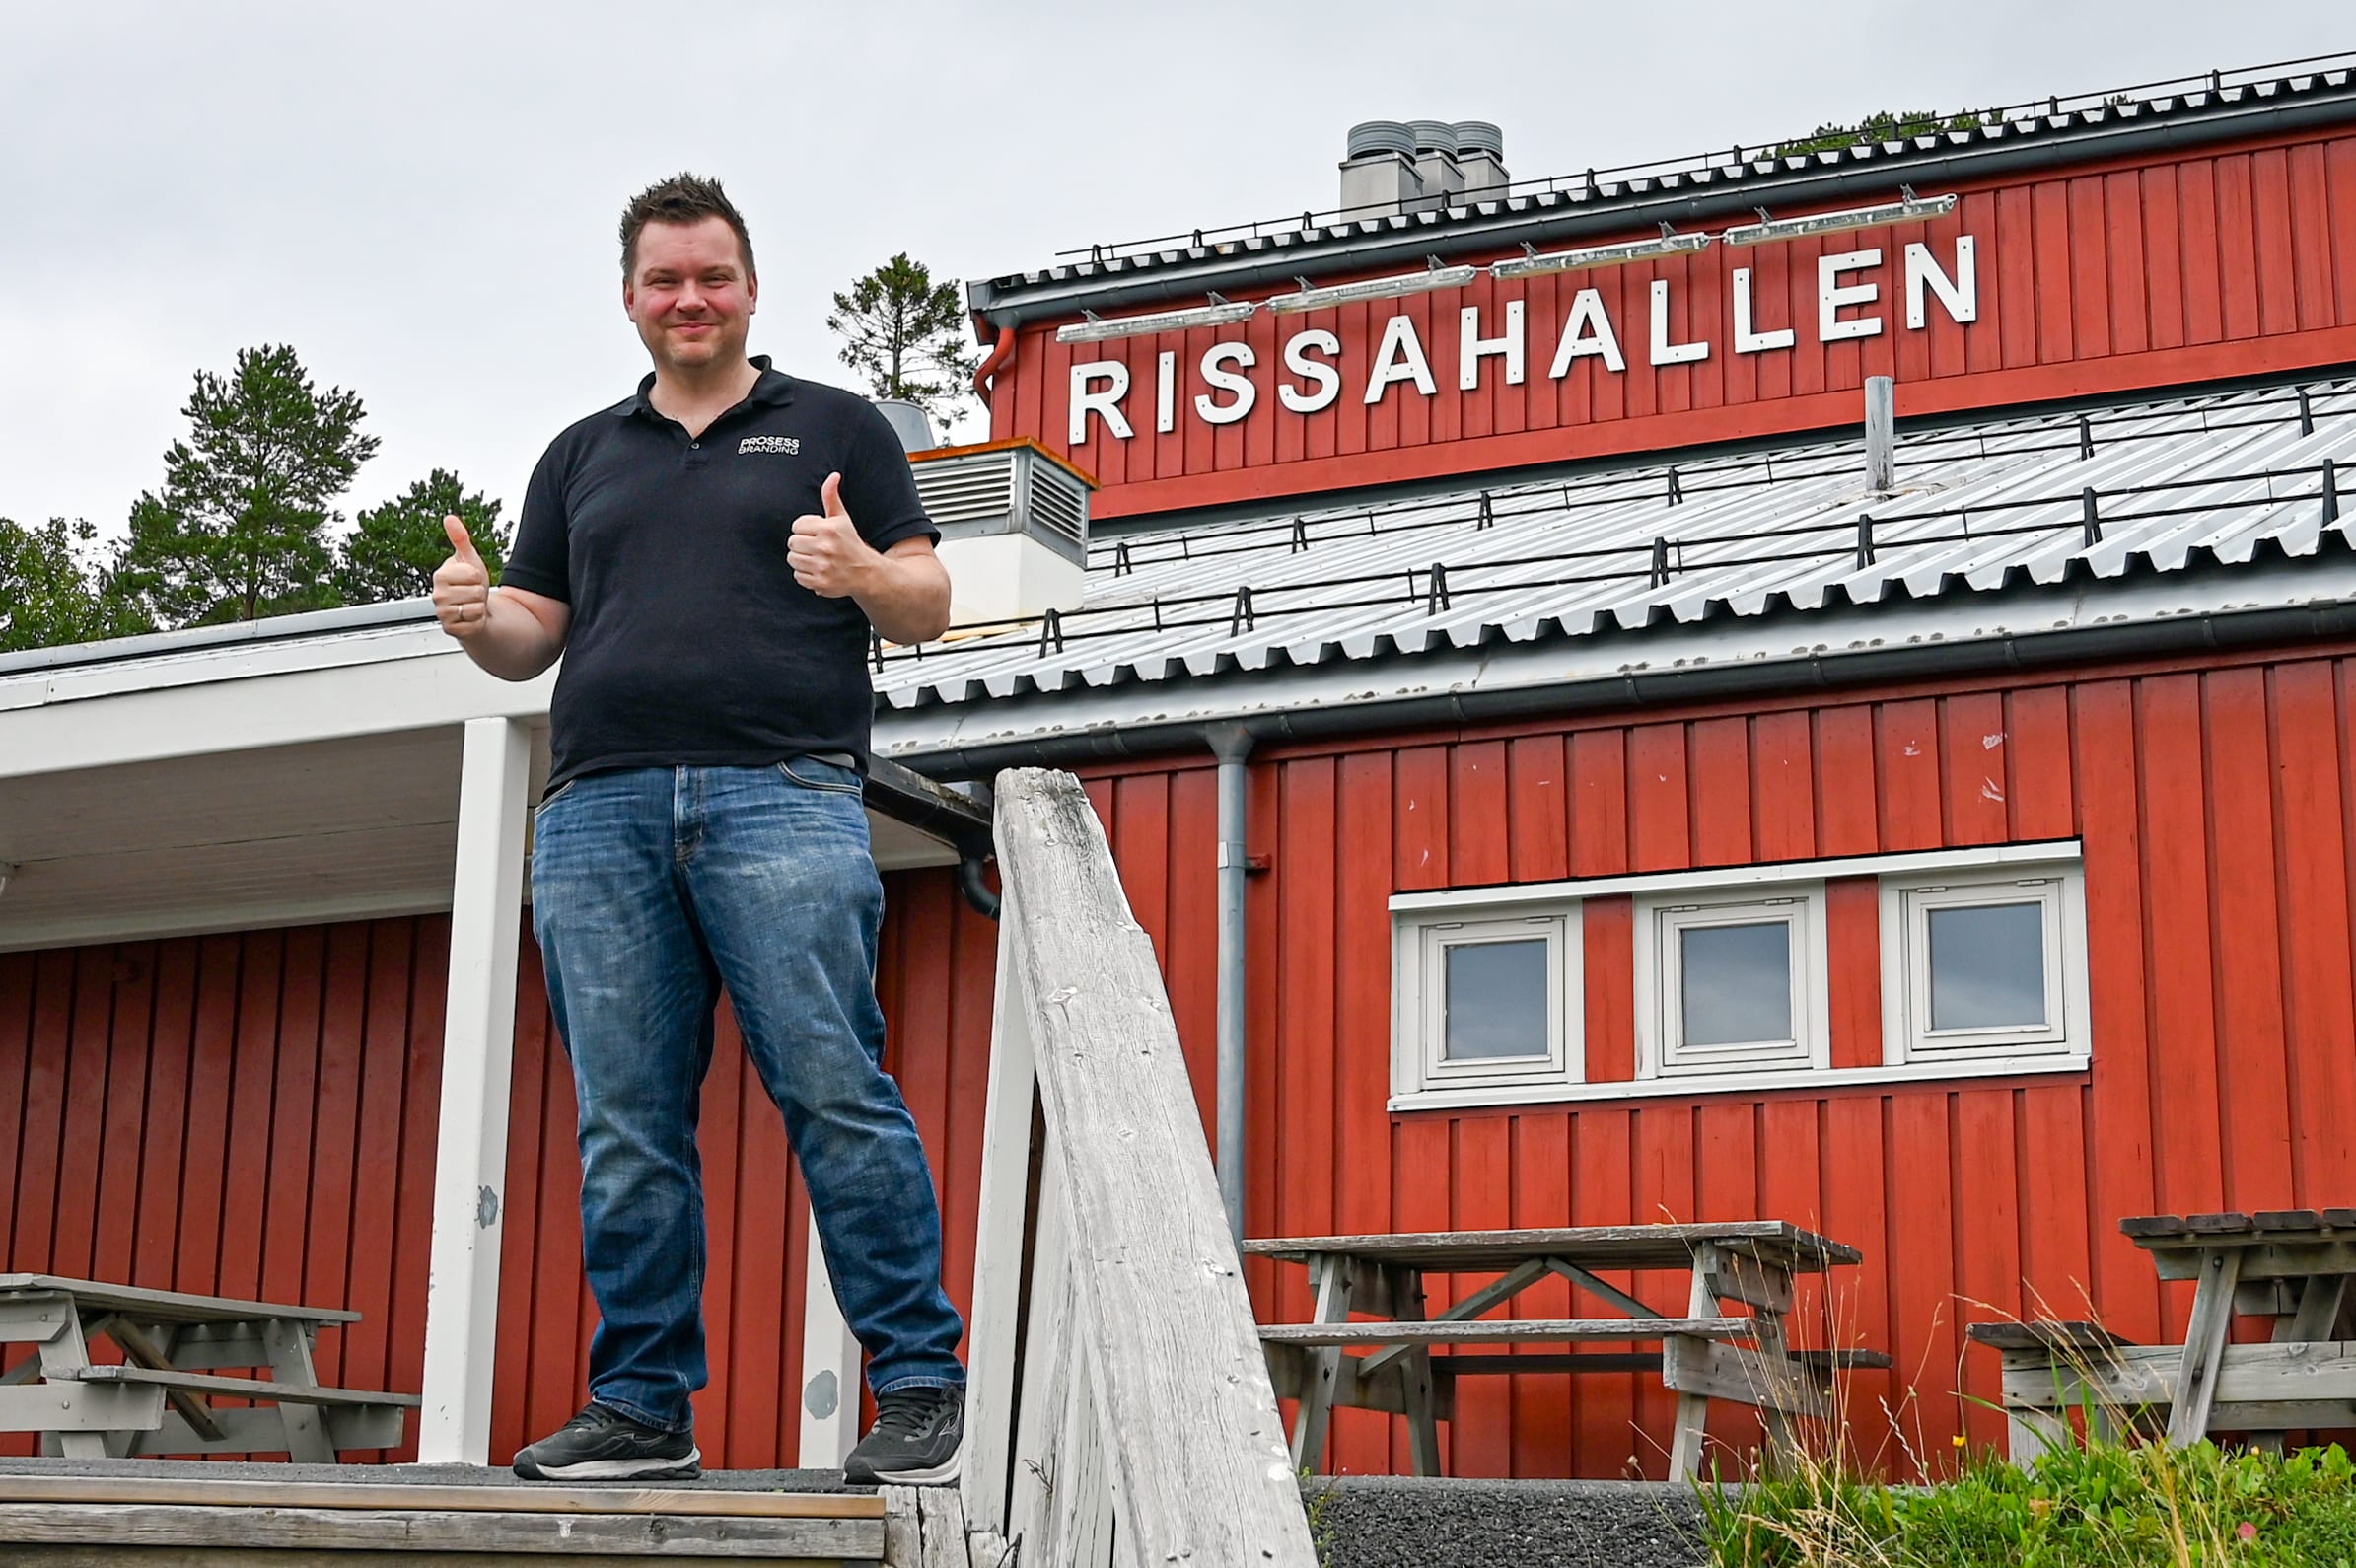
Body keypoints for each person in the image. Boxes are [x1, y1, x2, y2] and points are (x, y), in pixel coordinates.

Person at [432, 173, 965, 1487]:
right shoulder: (582, 454)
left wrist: (863, 571)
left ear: (751, 289)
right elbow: (531, 638)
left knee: (834, 1090)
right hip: (597, 811)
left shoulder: (834, 425)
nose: (690, 298)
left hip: (781, 795)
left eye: (712, 276)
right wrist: (476, 617)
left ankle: (917, 1385)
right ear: (629, 298)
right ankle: (642, 1407)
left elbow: (927, 600)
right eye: (665, 280)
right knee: (626, 1126)